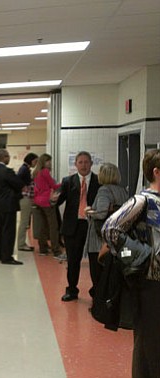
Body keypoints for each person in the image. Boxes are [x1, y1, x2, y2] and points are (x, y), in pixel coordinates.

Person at [102, 149, 160, 378]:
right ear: (156, 172)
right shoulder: (143, 200)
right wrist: (139, 256)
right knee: (152, 344)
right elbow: (110, 230)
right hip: (151, 284)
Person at [55, 151, 100, 301]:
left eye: (86, 162)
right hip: (73, 226)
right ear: (75, 165)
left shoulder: (98, 181)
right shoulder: (68, 181)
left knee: (95, 261)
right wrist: (53, 199)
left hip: (92, 226)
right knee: (73, 260)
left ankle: (96, 291)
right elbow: (58, 201)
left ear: (91, 164)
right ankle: (72, 290)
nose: (83, 165)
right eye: (80, 162)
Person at [83, 163, 128, 293]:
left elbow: (101, 213)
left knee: (98, 275)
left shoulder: (104, 190)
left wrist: (89, 211)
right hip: (116, 239)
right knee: (111, 274)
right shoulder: (122, 191)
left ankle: (99, 305)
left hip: (99, 241)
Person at [0, 149, 25, 265]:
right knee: (8, 231)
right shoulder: (7, 171)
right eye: (8, 156)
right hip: (9, 204)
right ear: (4, 157)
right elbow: (19, 184)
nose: (9, 158)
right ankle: (7, 257)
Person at [31, 154, 62, 257]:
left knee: (42, 226)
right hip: (47, 201)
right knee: (53, 226)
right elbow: (53, 186)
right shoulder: (45, 172)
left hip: (38, 201)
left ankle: (43, 249)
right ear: (44, 162)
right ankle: (56, 250)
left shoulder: (36, 172)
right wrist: (64, 183)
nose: (50, 163)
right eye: (48, 161)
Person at [16, 153, 38, 251]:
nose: (36, 163)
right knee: (24, 222)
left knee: (25, 222)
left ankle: (22, 243)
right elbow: (18, 180)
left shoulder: (25, 168)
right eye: (35, 161)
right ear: (30, 160)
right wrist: (23, 187)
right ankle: (21, 244)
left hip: (25, 197)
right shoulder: (24, 169)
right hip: (25, 198)